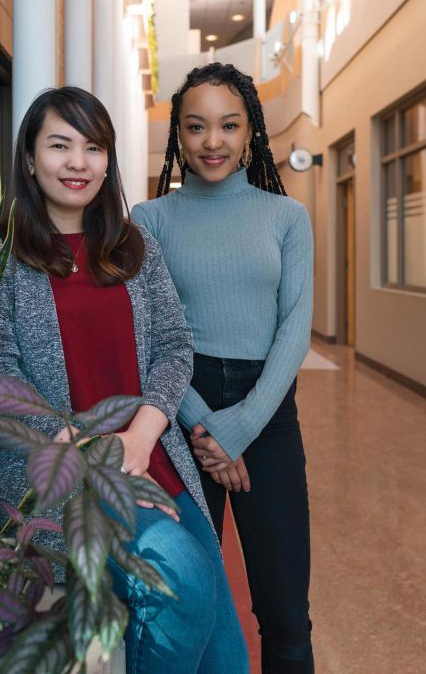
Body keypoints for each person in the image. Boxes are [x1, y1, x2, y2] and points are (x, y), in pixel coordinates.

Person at [0, 86, 248, 674]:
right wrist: (93, 452)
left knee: (227, 656)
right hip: (66, 476)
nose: (77, 163)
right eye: (59, 145)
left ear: (108, 161)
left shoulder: (133, 246)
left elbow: (173, 346)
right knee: (182, 580)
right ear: (30, 157)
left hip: (153, 460)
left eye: (93, 147)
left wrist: (140, 437)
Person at [131, 63, 315, 673]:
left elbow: (294, 328)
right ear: (177, 137)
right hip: (180, 410)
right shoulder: (149, 220)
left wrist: (237, 429)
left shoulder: (287, 218)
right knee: (183, 603)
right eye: (196, 126)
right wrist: (205, 426)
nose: (213, 141)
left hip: (267, 412)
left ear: (251, 133)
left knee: (286, 612)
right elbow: (150, 334)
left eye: (229, 125)